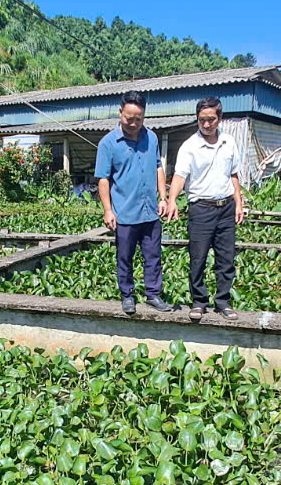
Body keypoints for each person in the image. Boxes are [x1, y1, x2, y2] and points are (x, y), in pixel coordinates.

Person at [164, 97, 244, 320]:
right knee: (198, 257)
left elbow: (234, 174)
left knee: (226, 258)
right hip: (201, 208)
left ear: (220, 118)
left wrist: (238, 203)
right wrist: (172, 201)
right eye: (202, 120)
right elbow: (180, 176)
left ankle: (223, 302)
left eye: (211, 120)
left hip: (226, 206)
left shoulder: (229, 142)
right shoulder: (190, 146)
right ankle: (199, 301)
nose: (206, 124)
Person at [95, 91, 173, 315]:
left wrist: (163, 197)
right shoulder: (108, 143)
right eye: (129, 118)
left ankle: (153, 294)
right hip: (125, 213)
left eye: (138, 118)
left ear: (144, 116)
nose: (133, 122)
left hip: (150, 212)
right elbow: (103, 179)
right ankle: (127, 295)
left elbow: (158, 166)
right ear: (120, 113)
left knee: (153, 256)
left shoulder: (152, 138)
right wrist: (108, 210)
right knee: (125, 257)